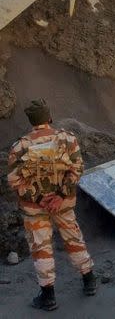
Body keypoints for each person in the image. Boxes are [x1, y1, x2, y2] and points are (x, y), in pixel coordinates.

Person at [7, 100, 97, 311]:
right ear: (49, 118)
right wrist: (59, 195)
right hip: (63, 203)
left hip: (35, 208)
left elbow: (14, 181)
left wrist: (39, 199)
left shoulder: (19, 147)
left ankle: (48, 296)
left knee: (41, 249)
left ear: (31, 121)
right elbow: (77, 168)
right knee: (74, 239)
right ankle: (89, 281)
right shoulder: (67, 139)